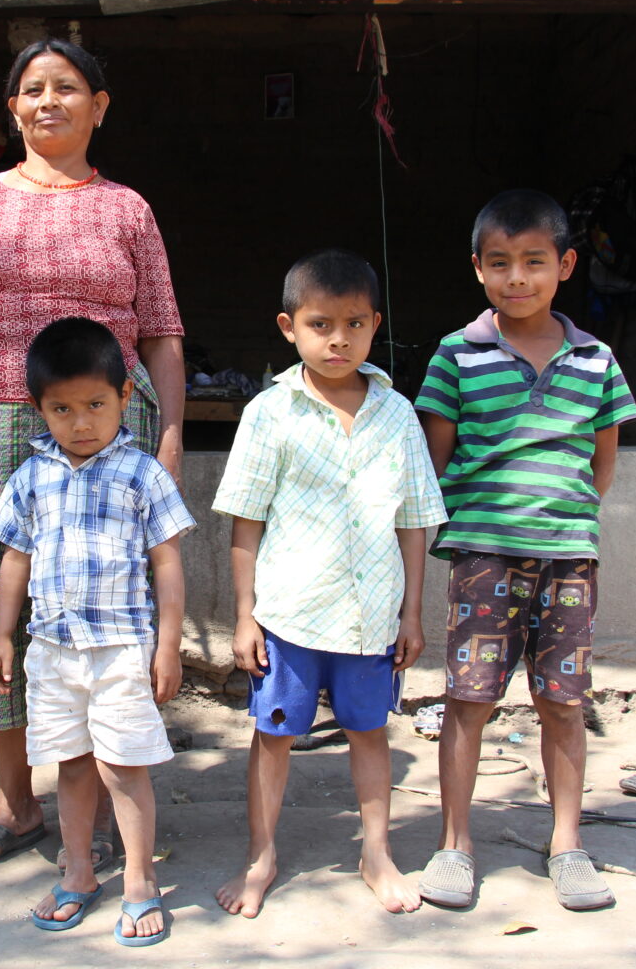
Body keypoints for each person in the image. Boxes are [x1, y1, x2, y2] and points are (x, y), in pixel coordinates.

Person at [0, 38, 186, 872]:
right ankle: (15, 802)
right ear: (13, 110)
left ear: (99, 106)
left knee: (100, 604)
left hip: (107, 432)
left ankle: (92, 808)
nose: (48, 101)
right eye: (32, 89)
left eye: (67, 87)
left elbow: (162, 334)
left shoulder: (128, 209)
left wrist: (170, 436)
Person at [413, 189, 636, 911]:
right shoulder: (457, 355)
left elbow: (602, 466)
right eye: (501, 262)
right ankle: (454, 845)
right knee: (468, 699)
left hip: (568, 556)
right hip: (484, 554)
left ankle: (567, 845)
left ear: (566, 265)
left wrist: (559, 520)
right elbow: (434, 464)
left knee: (563, 703)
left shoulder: (596, 359)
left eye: (535, 262)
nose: (518, 278)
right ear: (478, 268)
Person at [211, 250, 447, 919]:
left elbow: (413, 523)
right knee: (274, 735)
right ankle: (261, 856)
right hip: (288, 613)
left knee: (369, 731)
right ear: (289, 328)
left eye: (353, 324)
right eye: (320, 325)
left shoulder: (397, 415)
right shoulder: (269, 413)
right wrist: (245, 616)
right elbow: (247, 523)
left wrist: (411, 613)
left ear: (375, 325)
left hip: (371, 615)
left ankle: (377, 853)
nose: (338, 340)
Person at [0, 317, 193, 945]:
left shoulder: (143, 474)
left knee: (124, 767)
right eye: (63, 409)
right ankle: (78, 872)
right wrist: (3, 636)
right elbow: (15, 559)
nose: (81, 423)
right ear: (39, 409)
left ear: (125, 396)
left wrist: (168, 644)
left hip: (121, 650)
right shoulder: (30, 477)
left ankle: (140, 879)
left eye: (96, 405)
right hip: (52, 649)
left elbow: (167, 563)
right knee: (72, 766)